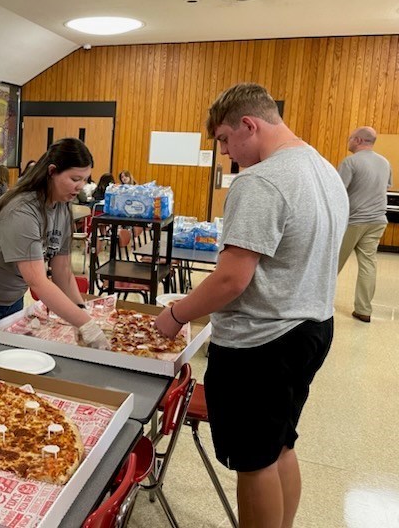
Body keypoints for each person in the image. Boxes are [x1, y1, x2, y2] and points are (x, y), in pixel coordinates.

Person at [153, 83, 348, 528]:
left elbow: (230, 278)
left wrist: (176, 314)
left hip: (264, 341)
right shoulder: (322, 167)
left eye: (224, 139)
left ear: (248, 124)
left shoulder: (261, 180)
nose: (225, 152)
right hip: (313, 326)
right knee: (281, 444)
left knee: (253, 460)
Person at [0, 138, 109, 354]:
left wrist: (81, 311)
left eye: (85, 180)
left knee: (5, 363)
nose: (80, 186)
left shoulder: (62, 207)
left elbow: (62, 272)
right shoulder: (22, 210)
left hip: (10, 298)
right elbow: (38, 282)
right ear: (52, 172)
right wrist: (85, 324)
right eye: (74, 179)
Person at [336, 126, 392, 323]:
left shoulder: (350, 162)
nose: (349, 141)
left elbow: (338, 192)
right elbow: (383, 187)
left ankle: (318, 303)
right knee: (368, 265)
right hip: (377, 221)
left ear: (358, 140)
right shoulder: (385, 162)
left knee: (333, 263)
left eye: (350, 138)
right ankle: (363, 309)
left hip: (354, 221)